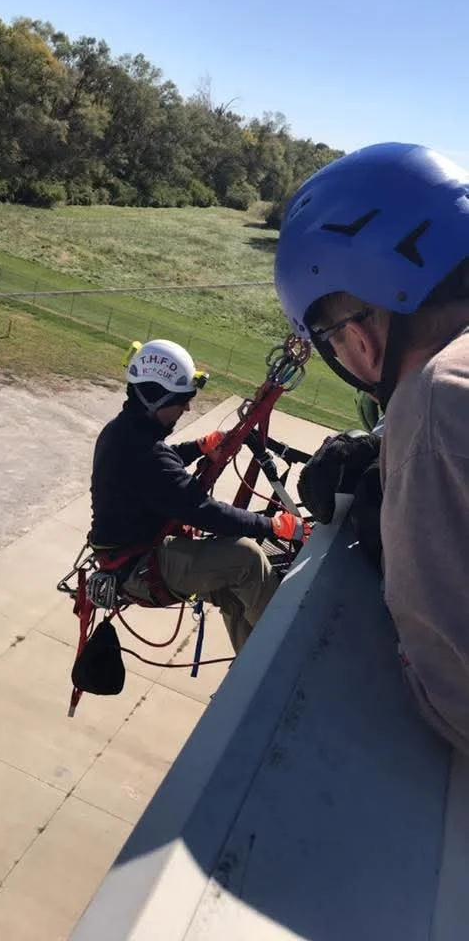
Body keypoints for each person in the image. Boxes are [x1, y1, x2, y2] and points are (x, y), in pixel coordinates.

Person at [274, 142, 469, 754]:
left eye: (329, 341)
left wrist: (400, 550)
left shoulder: (436, 401)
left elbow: (456, 698)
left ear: (357, 340)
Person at [90, 338, 309, 652]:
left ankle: (249, 665)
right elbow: (204, 511)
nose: (187, 407)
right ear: (156, 398)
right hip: (139, 567)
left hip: (134, 554)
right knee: (245, 559)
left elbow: (162, 464)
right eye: (183, 399)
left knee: (233, 587)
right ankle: (284, 652)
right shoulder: (143, 452)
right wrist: (273, 526)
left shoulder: (124, 432)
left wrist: (198, 447)